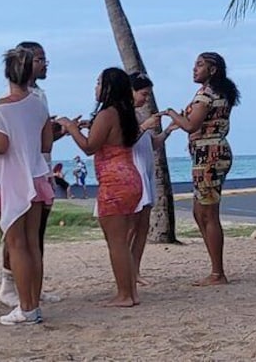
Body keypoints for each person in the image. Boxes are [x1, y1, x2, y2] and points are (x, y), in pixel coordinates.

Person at [0, 47, 53, 325]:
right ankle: (34, 305)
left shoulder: (1, 107)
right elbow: (46, 144)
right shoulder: (39, 105)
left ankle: (25, 307)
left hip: (11, 180)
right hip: (36, 176)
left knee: (16, 245)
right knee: (33, 245)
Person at [57, 68, 143, 307]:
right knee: (122, 240)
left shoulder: (107, 113)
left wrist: (70, 127)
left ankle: (124, 294)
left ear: (108, 87)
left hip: (114, 182)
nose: (95, 88)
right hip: (130, 177)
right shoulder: (126, 113)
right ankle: (130, 292)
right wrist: (88, 126)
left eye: (98, 83)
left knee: (115, 241)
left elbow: (89, 147)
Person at [163, 52, 240, 287]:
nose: (194, 69)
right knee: (199, 212)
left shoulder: (207, 94)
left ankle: (218, 273)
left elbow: (190, 125)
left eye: (199, 65)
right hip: (206, 155)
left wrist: (171, 113)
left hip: (210, 156)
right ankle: (215, 268)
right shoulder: (215, 93)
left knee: (208, 213)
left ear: (212, 69)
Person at [0, 41, 62, 308]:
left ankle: (32, 288)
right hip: (26, 171)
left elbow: (38, 138)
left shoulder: (36, 97)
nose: (44, 64)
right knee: (18, 234)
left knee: (33, 234)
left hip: (38, 168)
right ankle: (11, 285)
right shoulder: (15, 101)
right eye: (39, 60)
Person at [127, 72, 172, 286]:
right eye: (143, 94)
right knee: (132, 226)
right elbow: (125, 141)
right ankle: (126, 271)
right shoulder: (123, 115)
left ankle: (135, 270)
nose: (146, 99)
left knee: (143, 225)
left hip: (145, 172)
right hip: (133, 172)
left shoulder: (136, 115)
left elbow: (152, 143)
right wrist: (145, 126)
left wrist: (169, 130)